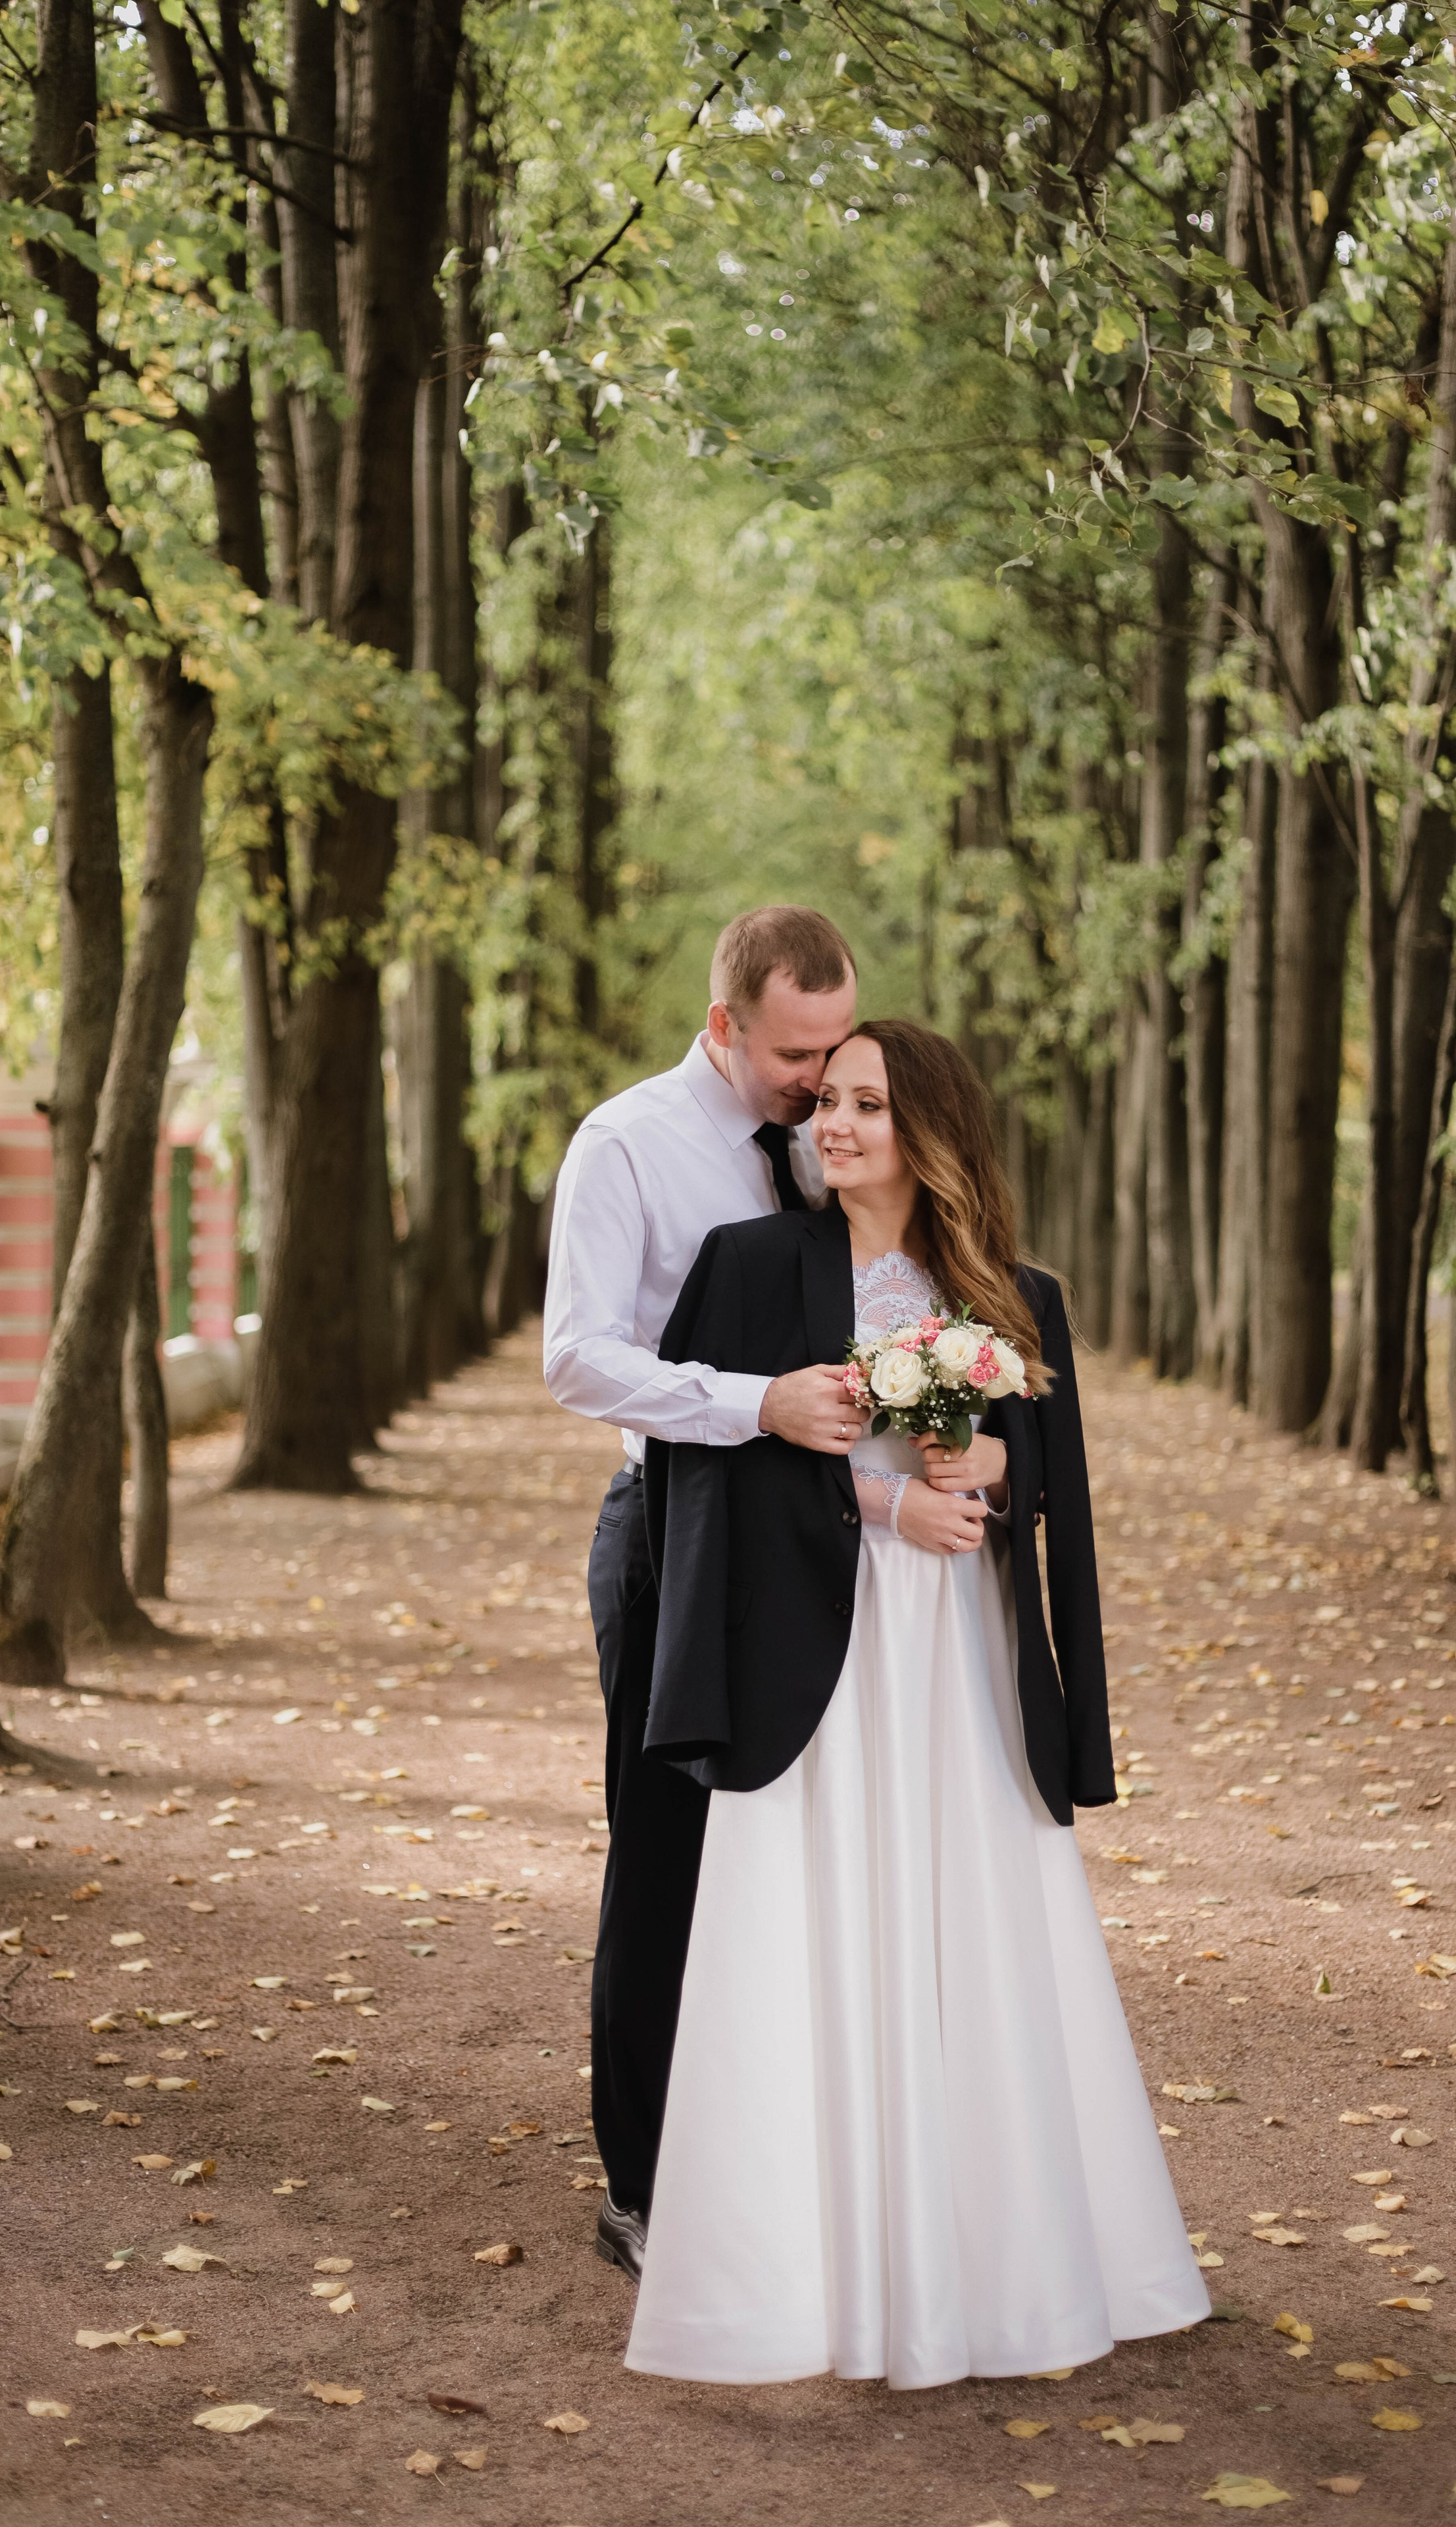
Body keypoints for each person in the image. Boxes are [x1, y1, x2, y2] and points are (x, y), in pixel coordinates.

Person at [624, 1019, 1210, 2388]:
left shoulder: (1014, 1292)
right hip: (810, 1649)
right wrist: (883, 1498)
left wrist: (974, 1465)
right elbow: (700, 1467)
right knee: (814, 1919)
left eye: (866, 1105)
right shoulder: (745, 1267)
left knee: (970, 1916)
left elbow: (1046, 1477)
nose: (832, 1125)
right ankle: (806, 2271)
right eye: (824, 1100)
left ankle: (990, 2264)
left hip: (955, 1649)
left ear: (928, 1129)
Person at [542, 906, 868, 2283]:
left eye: (833, 1046)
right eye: (796, 1052)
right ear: (726, 1024)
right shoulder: (625, 1146)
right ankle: (642, 2183)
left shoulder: (832, 1139)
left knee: (799, 1860)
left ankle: (778, 2152)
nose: (818, 1074)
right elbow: (576, 1359)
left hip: (822, 1540)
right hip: (671, 1533)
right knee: (666, 1854)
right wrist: (753, 1405)